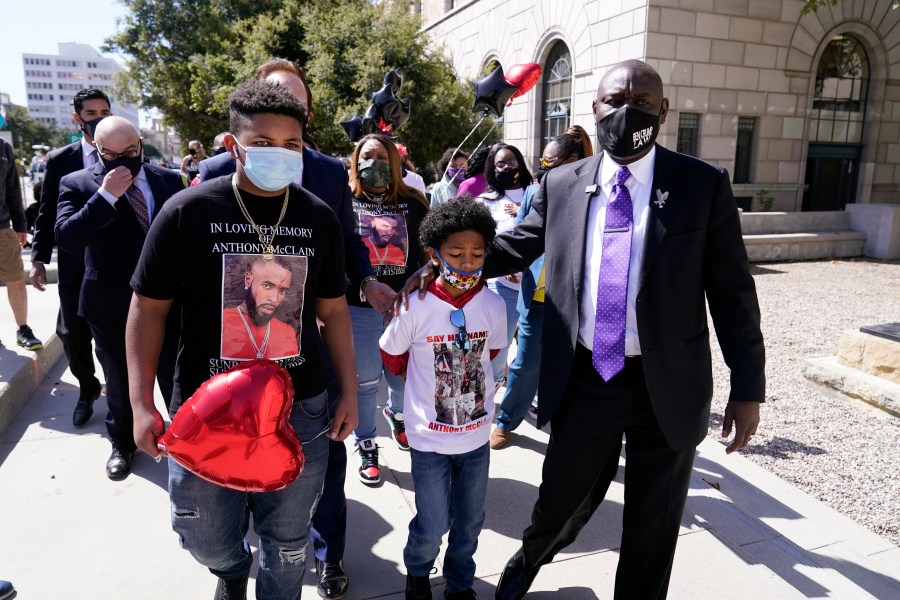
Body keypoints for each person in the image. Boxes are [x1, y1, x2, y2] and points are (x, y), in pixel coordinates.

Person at [400, 60, 765, 600]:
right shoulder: (561, 183)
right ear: (594, 108)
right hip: (587, 375)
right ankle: (530, 559)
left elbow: (733, 293)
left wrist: (747, 387)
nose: (627, 112)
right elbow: (514, 246)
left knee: (653, 525)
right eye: (615, 100)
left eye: (642, 102)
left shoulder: (701, 186)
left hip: (669, 381)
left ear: (663, 111)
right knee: (562, 500)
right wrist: (452, 264)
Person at [127, 79, 358, 600]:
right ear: (233, 146)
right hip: (208, 409)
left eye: (292, 144)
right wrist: (142, 403)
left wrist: (348, 391)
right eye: (263, 143)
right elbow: (148, 308)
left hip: (303, 406)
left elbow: (334, 312)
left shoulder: (318, 218)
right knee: (201, 531)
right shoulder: (186, 212)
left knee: (289, 538)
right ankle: (231, 570)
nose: (279, 153)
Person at [196, 57, 394, 599]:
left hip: (312, 350)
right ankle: (240, 560)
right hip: (233, 360)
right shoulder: (213, 178)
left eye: (298, 111)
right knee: (238, 471)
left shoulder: (330, 173)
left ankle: (327, 557)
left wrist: (369, 278)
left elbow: (346, 241)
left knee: (324, 462)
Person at [379, 199, 506, 600]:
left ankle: (460, 583)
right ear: (433, 254)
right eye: (455, 253)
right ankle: (417, 572)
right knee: (433, 522)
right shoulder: (413, 306)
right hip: (428, 440)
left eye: (477, 253)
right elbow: (392, 356)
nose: (467, 262)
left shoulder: (494, 304)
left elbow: (493, 354)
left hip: (475, 438)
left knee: (470, 522)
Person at [55, 116, 183, 480]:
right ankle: (122, 443)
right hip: (111, 303)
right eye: (110, 154)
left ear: (140, 144)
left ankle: (185, 438)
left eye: (129, 152)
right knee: (121, 379)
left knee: (175, 376)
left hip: (169, 301)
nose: (121, 160)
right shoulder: (78, 184)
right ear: (97, 149)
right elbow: (67, 237)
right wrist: (106, 195)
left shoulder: (168, 180)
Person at [489, 125, 593, 450]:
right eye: (542, 164)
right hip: (537, 293)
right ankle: (506, 421)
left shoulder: (594, 194)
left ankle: (570, 420)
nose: (543, 171)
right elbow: (520, 232)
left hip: (576, 299)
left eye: (552, 164)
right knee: (525, 363)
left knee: (575, 365)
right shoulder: (535, 193)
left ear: (574, 161)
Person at [347, 133, 430, 485]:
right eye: (366, 156)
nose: (374, 162)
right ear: (355, 161)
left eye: (382, 156)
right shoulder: (343, 202)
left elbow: (432, 249)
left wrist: (430, 268)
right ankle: (367, 441)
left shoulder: (414, 202)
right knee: (365, 380)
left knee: (400, 373)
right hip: (358, 307)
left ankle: (396, 414)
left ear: (395, 163)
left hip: (404, 306)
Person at [30, 88, 110, 425]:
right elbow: (47, 211)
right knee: (70, 333)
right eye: (91, 113)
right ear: (77, 119)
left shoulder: (124, 151)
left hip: (113, 264)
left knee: (113, 339)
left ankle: (122, 395)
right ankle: (88, 388)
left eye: (104, 111)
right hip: (75, 263)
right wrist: (38, 258)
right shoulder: (61, 159)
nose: (99, 119)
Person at [474, 143, 534, 386]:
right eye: (501, 163)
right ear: (492, 168)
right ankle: (494, 388)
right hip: (504, 288)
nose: (507, 167)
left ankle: (527, 394)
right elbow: (479, 242)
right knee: (499, 346)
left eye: (512, 161)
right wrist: (502, 264)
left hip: (538, 290)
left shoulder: (539, 192)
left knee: (532, 350)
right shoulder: (485, 202)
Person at [0, 137, 42, 351]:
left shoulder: (3, 147)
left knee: (15, 279)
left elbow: (13, 190)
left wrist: (20, 225)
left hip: (2, 228)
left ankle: (23, 329)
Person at [221, 255, 299, 359]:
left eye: (282, 291)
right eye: (267, 286)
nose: (274, 299)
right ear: (248, 280)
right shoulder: (222, 320)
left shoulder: (287, 332)